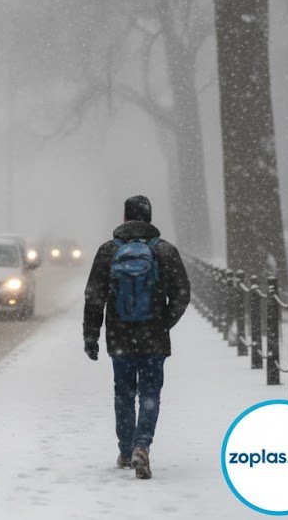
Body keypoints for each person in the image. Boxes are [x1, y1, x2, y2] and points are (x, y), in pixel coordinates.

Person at [82, 195, 190, 479]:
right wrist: (163, 322)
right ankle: (143, 445)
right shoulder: (164, 251)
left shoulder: (108, 251)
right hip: (153, 338)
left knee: (124, 394)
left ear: (125, 218)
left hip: (119, 338)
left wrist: (91, 336)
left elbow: (94, 297)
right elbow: (182, 294)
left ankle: (126, 449)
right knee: (150, 394)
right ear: (149, 218)